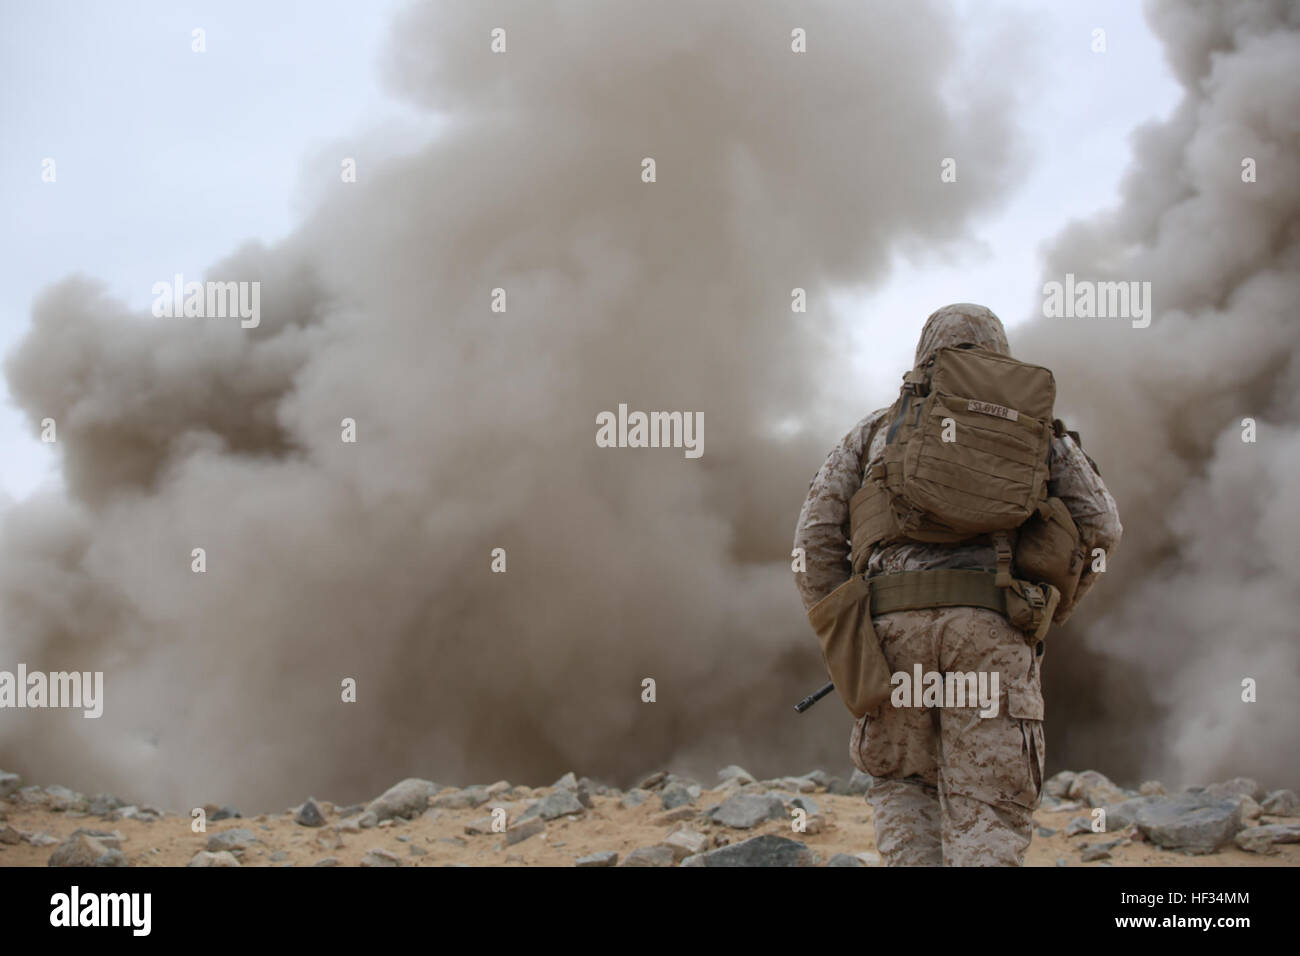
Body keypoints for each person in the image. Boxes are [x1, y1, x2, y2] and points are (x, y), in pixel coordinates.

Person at [792, 303, 1122, 866]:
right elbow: (1102, 527)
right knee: (988, 805)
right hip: (991, 631)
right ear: (1000, 352)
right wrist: (1042, 611)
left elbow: (811, 544)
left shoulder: (874, 432)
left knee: (905, 789)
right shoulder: (1036, 431)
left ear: (925, 351)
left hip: (892, 639)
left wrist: (851, 636)